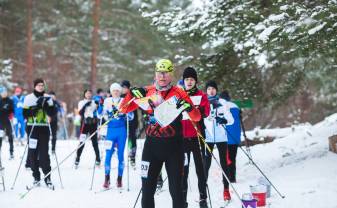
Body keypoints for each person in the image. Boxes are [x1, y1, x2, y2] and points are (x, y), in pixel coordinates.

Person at [120, 59, 201, 208]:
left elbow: (197, 117)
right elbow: (123, 109)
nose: (162, 76)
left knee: (176, 191)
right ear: (155, 74)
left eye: (165, 73)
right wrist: (131, 94)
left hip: (174, 149)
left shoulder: (180, 92)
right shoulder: (147, 90)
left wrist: (189, 107)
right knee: (147, 190)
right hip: (151, 149)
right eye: (159, 73)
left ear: (171, 75)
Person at [180, 67, 210, 208]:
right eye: (187, 79)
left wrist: (194, 110)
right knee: (183, 171)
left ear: (195, 81)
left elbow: (206, 112)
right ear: (184, 81)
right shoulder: (179, 94)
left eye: (192, 79)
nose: (189, 82)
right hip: (183, 139)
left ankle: (203, 198)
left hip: (198, 137)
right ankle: (183, 200)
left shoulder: (201, 95)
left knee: (200, 169)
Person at [203, 81, 234, 201]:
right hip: (208, 137)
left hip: (221, 138)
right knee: (206, 164)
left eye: (213, 89)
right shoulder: (204, 102)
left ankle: (226, 190)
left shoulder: (222, 103)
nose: (211, 91)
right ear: (206, 91)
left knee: (224, 164)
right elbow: (199, 117)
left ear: (216, 90)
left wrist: (224, 120)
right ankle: (203, 190)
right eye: (209, 89)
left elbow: (231, 120)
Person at [23, 79, 57, 187]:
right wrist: (37, 107)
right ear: (34, 86)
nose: (41, 87)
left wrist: (46, 105)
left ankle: (47, 177)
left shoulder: (48, 98)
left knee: (44, 155)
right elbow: (25, 114)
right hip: (32, 128)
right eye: (39, 85)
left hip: (44, 128)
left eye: (42, 85)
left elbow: (53, 112)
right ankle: (36, 177)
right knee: (32, 154)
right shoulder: (28, 98)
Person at [102, 83, 134, 189]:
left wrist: (123, 114)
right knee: (108, 156)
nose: (115, 92)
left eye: (117, 90)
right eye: (113, 90)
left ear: (120, 91)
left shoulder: (124, 101)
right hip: (110, 131)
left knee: (120, 155)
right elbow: (102, 115)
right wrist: (107, 114)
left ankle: (119, 179)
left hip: (121, 131)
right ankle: (107, 178)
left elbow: (131, 116)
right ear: (111, 91)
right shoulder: (107, 101)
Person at [75, 89, 101, 167]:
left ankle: (98, 158)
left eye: (90, 93)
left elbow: (99, 112)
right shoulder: (81, 102)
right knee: (82, 142)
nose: (89, 95)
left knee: (95, 142)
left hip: (93, 123)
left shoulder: (94, 102)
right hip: (84, 124)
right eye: (87, 93)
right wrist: (85, 105)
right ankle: (77, 158)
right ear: (84, 94)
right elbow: (80, 113)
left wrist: (98, 105)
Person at [220, 90, 241, 183]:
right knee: (232, 158)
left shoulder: (222, 106)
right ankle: (232, 177)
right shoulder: (236, 106)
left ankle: (227, 178)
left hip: (225, 137)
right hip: (235, 138)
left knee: (225, 159)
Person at [121, 80, 139, 166]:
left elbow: (139, 105)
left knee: (133, 138)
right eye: (122, 88)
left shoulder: (133, 96)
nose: (123, 89)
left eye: (125, 88)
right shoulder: (121, 97)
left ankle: (132, 157)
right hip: (123, 121)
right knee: (125, 138)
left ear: (128, 88)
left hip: (133, 121)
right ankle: (124, 156)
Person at [0, 86, 14, 159]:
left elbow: (12, 109)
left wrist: (12, 116)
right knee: (0, 138)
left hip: (8, 120)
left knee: (10, 136)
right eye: (2, 92)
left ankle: (11, 152)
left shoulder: (10, 100)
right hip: (0, 122)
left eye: (5, 92)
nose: (4, 94)